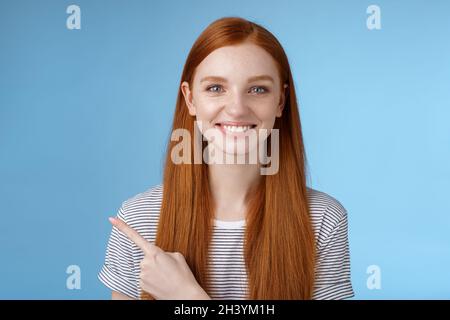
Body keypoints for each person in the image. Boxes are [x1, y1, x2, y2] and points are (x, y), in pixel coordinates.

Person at [98, 16, 354, 300]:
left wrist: (187, 296)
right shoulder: (139, 219)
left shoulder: (323, 220)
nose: (236, 109)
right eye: (216, 88)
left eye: (258, 89)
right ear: (190, 99)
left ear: (280, 102)